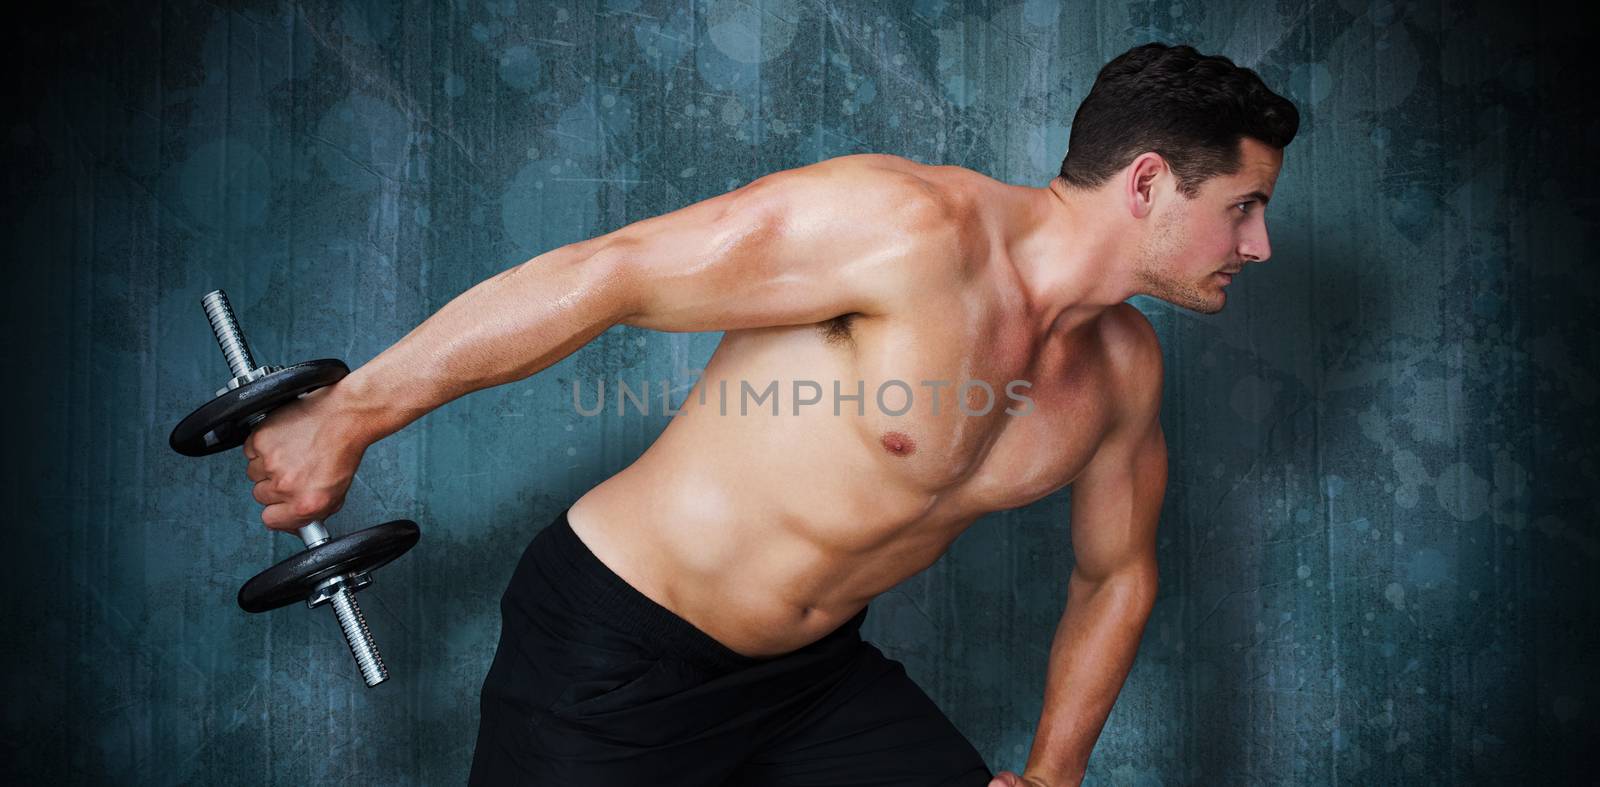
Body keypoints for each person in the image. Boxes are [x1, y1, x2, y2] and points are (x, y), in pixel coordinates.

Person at [240, 42, 1297, 786]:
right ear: (1149, 181)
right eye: (1240, 208)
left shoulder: (1122, 368)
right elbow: (615, 273)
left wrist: (1056, 773)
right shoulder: (905, 227)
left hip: (811, 680)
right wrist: (354, 411)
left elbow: (1114, 572)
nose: (1254, 247)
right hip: (615, 651)